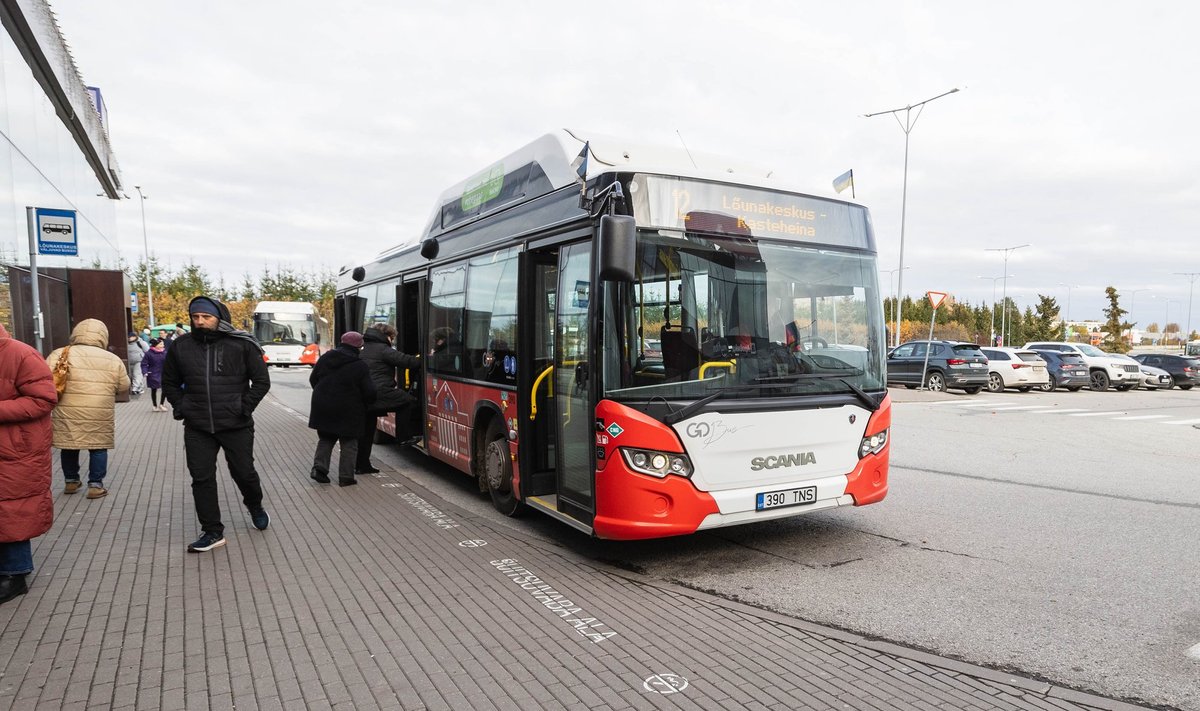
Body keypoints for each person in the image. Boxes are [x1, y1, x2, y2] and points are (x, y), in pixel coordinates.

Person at [162, 296, 271, 553]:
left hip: (235, 424)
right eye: (195, 317)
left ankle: (254, 505)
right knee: (201, 478)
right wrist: (182, 406)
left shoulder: (241, 344)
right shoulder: (181, 346)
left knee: (244, 473)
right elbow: (169, 382)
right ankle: (212, 531)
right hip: (198, 425)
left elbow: (262, 382)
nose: (199, 321)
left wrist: (243, 408)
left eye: (206, 317)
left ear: (219, 318)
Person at [0, 323, 56, 605]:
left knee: (14, 507)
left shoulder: (21, 354)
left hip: (14, 449)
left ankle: (15, 574)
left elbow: (43, 399)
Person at [46, 319, 131, 500]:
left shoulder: (59, 353)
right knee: (98, 446)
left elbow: (44, 378)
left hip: (66, 410)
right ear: (103, 336)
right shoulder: (112, 359)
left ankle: (70, 481)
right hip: (99, 411)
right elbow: (124, 386)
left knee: (69, 445)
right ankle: (95, 485)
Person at [308, 332, 375, 486]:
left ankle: (319, 469)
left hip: (323, 404)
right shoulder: (359, 365)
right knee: (349, 441)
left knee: (326, 438)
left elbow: (313, 379)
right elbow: (369, 391)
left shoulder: (325, 358)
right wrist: (368, 402)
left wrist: (324, 393)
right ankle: (346, 477)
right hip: (349, 408)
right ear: (359, 346)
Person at [356, 324, 421, 474]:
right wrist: (426, 358)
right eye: (392, 338)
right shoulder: (383, 349)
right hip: (380, 391)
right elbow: (408, 362)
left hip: (364, 393)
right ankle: (403, 437)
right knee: (407, 401)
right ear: (386, 336)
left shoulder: (365, 347)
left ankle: (362, 465)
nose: (392, 340)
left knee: (367, 431)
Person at [141, 338, 168, 411]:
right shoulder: (149, 353)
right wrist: (145, 372)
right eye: (161, 344)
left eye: (163, 344)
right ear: (156, 345)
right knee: (154, 389)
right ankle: (154, 405)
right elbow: (144, 364)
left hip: (164, 373)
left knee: (165, 389)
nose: (163, 345)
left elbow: (170, 362)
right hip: (153, 373)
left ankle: (162, 404)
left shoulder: (165, 352)